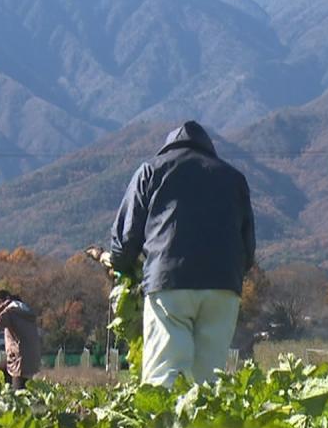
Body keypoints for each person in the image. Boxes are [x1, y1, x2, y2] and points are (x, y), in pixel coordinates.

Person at [108, 121, 255, 387]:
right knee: (208, 382)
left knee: (165, 373)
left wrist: (121, 265)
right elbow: (248, 249)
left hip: (169, 282)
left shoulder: (151, 171)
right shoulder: (234, 178)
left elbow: (125, 239)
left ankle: (162, 427)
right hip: (223, 287)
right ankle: (203, 427)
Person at [0, 289, 41, 390]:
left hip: (20, 362)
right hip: (32, 359)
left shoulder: (10, 311)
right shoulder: (24, 310)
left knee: (20, 395)